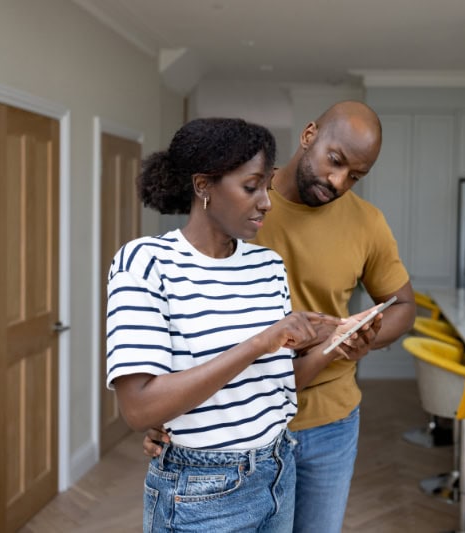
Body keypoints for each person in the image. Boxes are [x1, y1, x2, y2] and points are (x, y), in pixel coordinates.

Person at [144, 101, 417, 532]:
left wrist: (365, 337)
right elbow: (187, 318)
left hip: (329, 422)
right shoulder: (238, 203)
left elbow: (403, 306)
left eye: (356, 176)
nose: (339, 181)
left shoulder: (368, 223)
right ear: (309, 135)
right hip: (235, 425)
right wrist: (172, 413)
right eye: (336, 161)